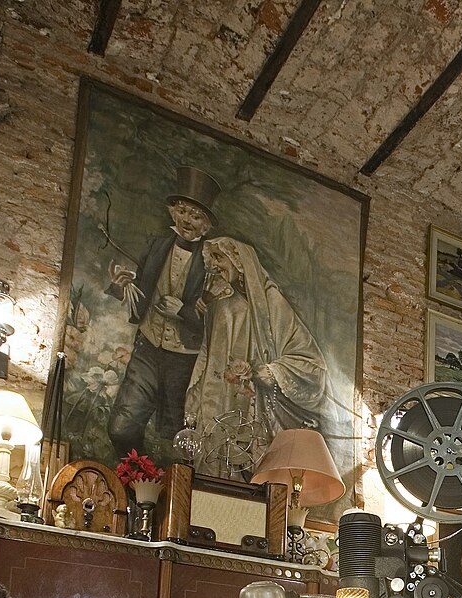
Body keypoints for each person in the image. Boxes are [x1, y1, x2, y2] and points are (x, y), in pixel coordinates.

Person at [180, 235, 332, 473]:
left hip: (253, 406)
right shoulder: (221, 304)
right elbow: (208, 356)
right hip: (216, 404)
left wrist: (271, 371)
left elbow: (310, 362)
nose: (215, 266)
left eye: (219, 258)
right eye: (212, 260)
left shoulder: (270, 301)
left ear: (238, 261)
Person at [106, 166, 221, 459]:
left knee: (175, 442)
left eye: (196, 216)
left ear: (206, 226)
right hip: (147, 349)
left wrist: (183, 311)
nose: (187, 220)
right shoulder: (156, 246)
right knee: (121, 428)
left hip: (183, 362)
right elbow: (140, 294)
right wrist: (122, 287)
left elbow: (216, 321)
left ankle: (163, 498)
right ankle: (137, 486)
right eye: (183, 211)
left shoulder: (212, 262)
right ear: (173, 212)